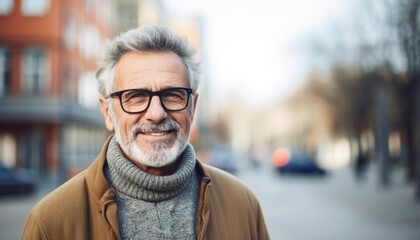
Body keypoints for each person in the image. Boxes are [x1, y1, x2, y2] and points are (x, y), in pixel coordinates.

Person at [22, 25, 269, 240]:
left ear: (193, 107)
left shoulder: (243, 205)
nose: (156, 113)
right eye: (136, 96)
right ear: (108, 112)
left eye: (172, 95)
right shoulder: (50, 222)